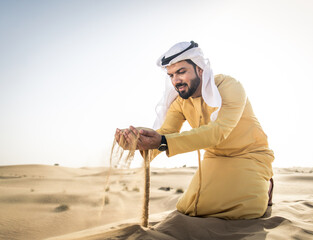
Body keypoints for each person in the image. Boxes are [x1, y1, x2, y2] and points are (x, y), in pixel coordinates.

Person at [115, 41, 274, 219]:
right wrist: (139, 140)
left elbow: (218, 131)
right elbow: (166, 132)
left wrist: (161, 141)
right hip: (214, 158)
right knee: (189, 208)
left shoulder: (229, 86)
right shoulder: (180, 102)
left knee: (245, 211)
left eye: (181, 72)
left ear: (200, 69)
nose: (176, 80)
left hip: (249, 155)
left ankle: (267, 185)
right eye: (171, 75)